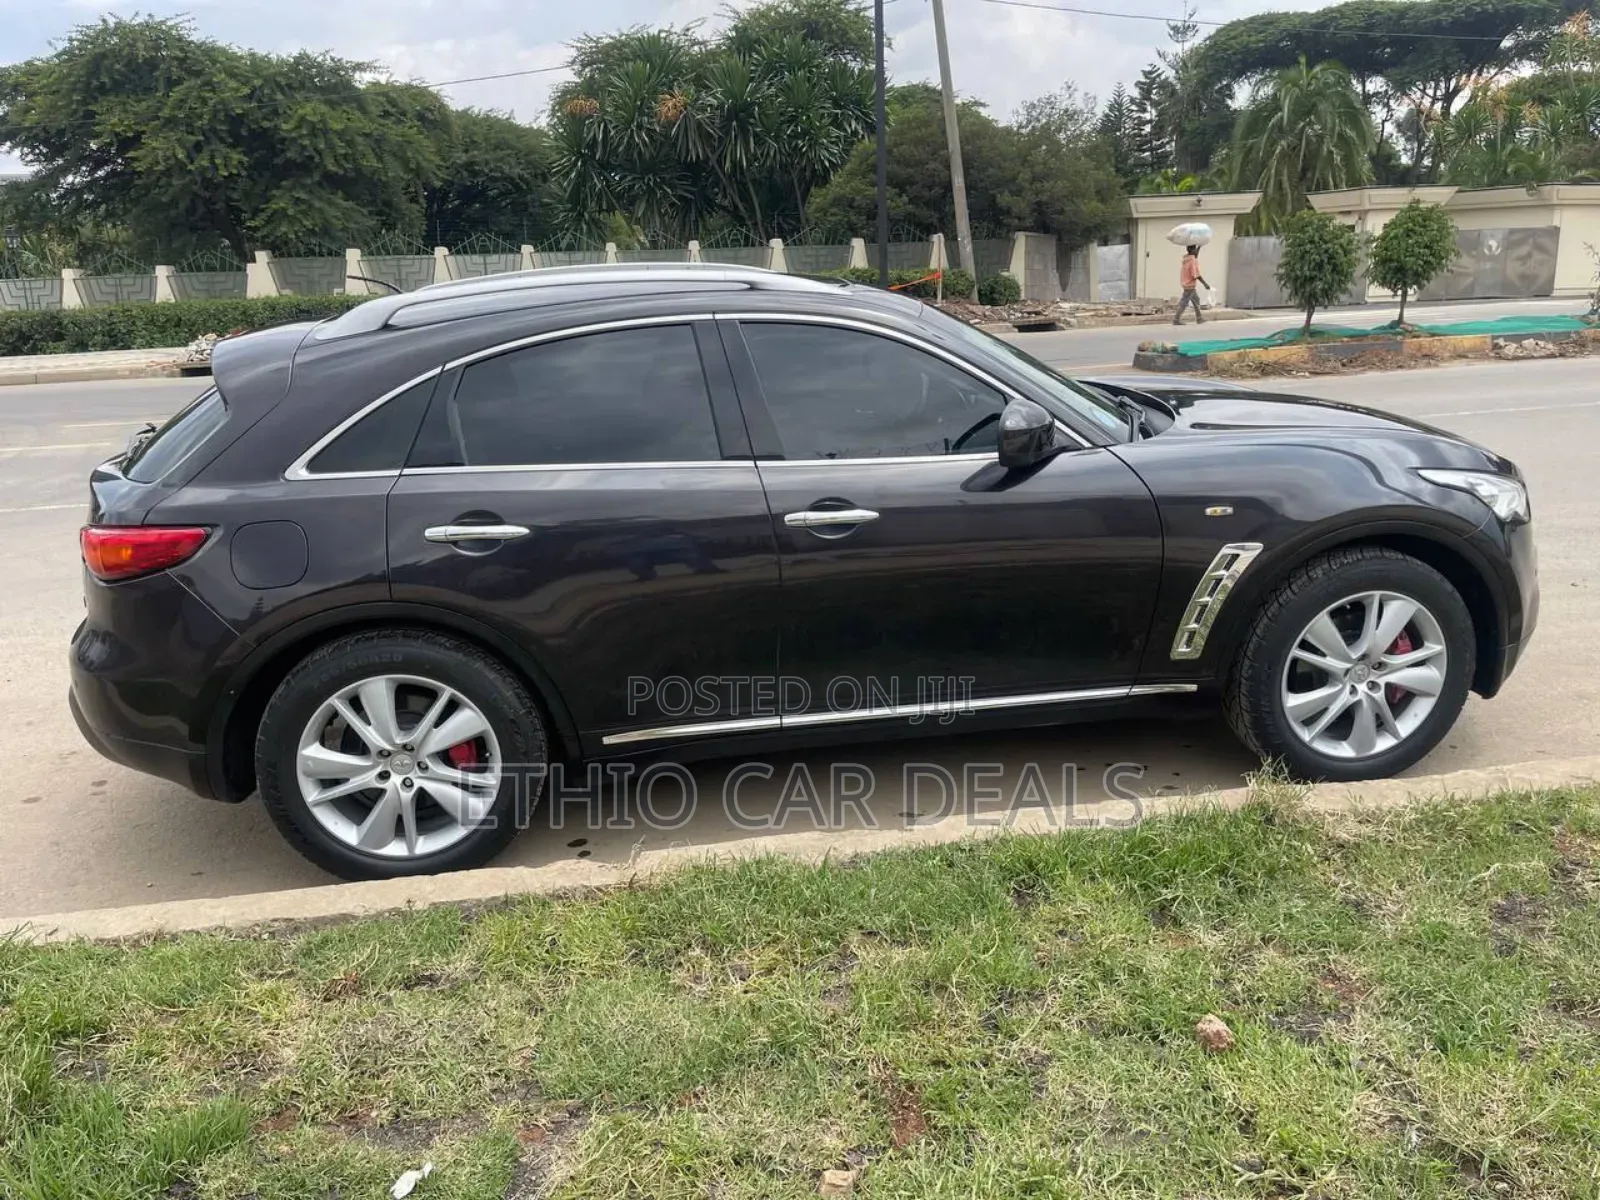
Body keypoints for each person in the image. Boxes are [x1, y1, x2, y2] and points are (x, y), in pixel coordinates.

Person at [1174, 245, 1209, 325]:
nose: (1196, 251)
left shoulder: (1187, 258)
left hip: (1186, 283)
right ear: (1192, 250)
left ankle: (1199, 318)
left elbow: (1195, 255)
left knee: (1196, 299)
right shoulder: (1192, 261)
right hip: (1190, 285)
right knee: (1184, 303)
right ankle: (1176, 319)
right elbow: (1195, 275)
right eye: (1195, 249)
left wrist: (1199, 246)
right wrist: (1205, 284)